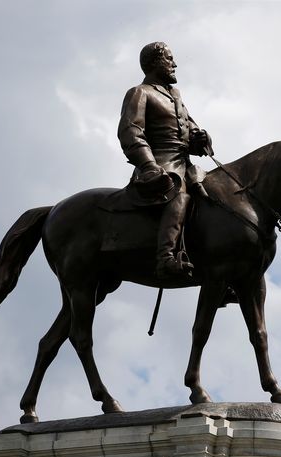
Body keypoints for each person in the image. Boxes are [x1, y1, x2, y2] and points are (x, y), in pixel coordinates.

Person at [118, 41, 214, 279]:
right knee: (179, 196)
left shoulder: (174, 96)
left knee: (218, 197)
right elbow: (130, 131)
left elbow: (188, 130)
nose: (175, 64)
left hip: (185, 164)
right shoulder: (141, 92)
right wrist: (149, 165)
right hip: (161, 163)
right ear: (153, 62)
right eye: (169, 59)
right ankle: (166, 258)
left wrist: (200, 138)